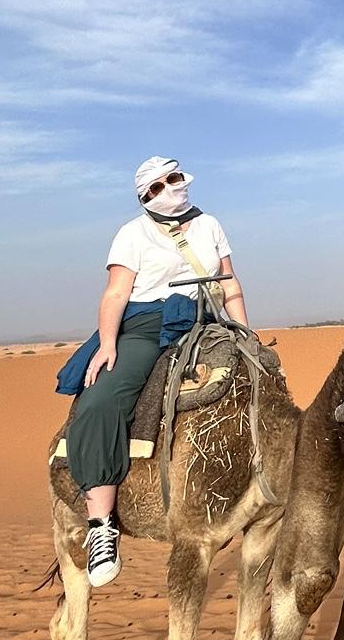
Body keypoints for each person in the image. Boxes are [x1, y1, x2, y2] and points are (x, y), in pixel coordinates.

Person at [63, 157, 247, 588]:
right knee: (101, 401)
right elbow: (115, 293)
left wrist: (246, 333)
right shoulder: (132, 233)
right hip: (149, 323)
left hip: (206, 320)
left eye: (173, 178)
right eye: (156, 187)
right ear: (144, 197)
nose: (168, 188)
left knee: (262, 385)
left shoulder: (210, 225)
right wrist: (108, 344)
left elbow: (229, 283)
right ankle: (101, 524)